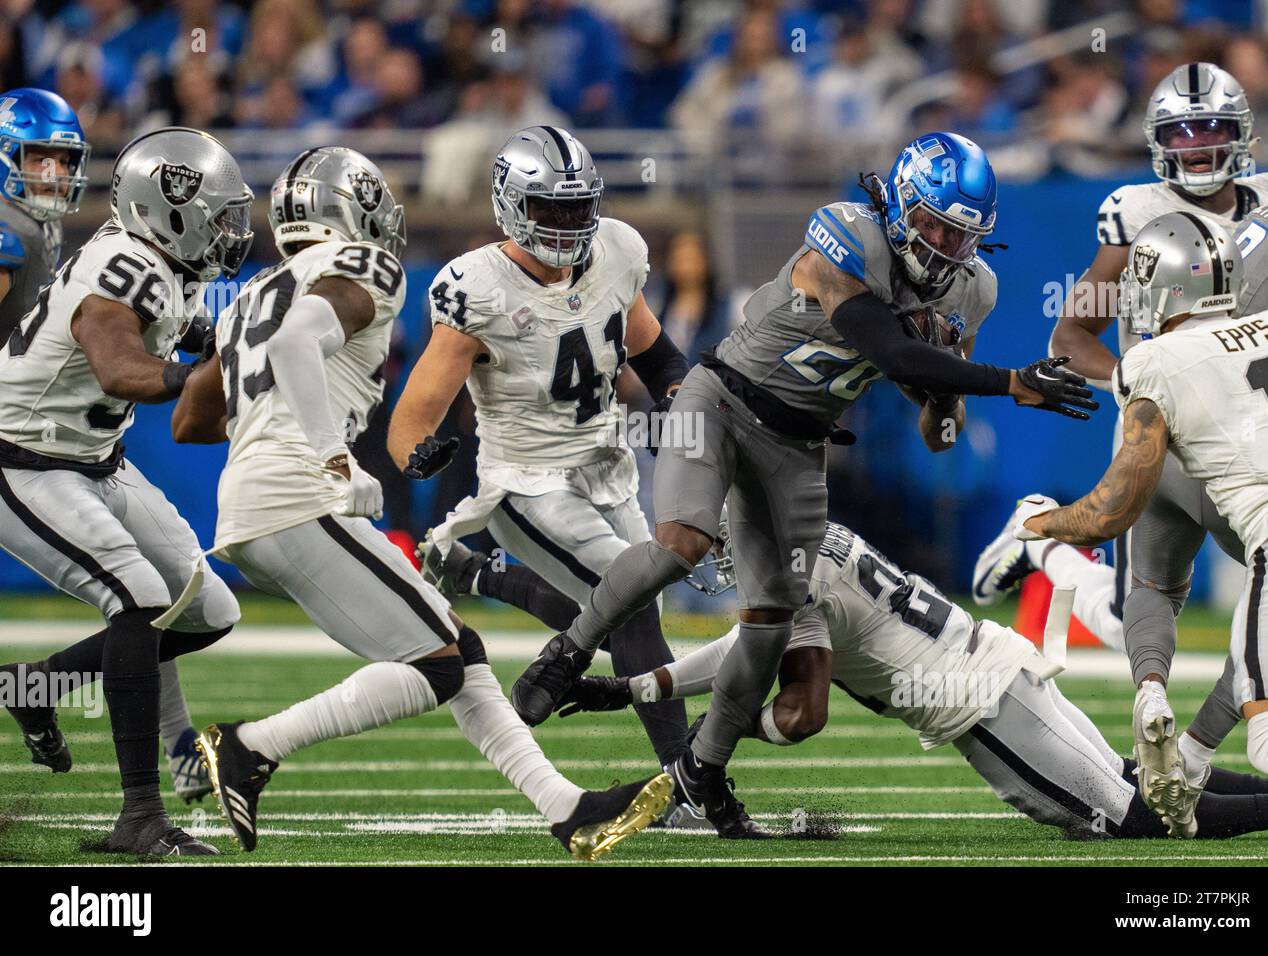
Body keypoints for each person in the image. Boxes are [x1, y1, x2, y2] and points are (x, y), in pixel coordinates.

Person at [510, 131, 1097, 838]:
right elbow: (881, 342)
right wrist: (1010, 381)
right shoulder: (847, 233)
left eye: (962, 234)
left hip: (797, 445)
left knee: (769, 624)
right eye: (935, 224)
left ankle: (704, 779)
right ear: (902, 206)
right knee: (681, 543)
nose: (945, 245)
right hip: (722, 401)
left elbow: (936, 422)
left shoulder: (975, 290)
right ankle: (567, 650)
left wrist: (945, 398)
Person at [171, 146, 673, 860]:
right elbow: (292, 346)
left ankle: (567, 810)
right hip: (298, 497)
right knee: (436, 662)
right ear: (350, 212)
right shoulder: (362, 266)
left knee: (458, 651)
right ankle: (249, 747)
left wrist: (269, 417)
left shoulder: (256, 290)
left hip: (253, 508)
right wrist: (331, 452)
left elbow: (190, 419)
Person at [560, 521, 1268, 841]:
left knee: (1142, 818)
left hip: (979, 704)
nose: (720, 555)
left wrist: (727, 728)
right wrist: (635, 690)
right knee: (1147, 783)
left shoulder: (793, 577)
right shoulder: (814, 533)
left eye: (723, 540)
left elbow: (802, 713)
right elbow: (738, 646)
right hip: (998, 664)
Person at [993, 63, 1268, 823]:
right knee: (1262, 593)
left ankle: (1187, 751)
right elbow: (1072, 331)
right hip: (1173, 423)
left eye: (1213, 130)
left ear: (1243, 135)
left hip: (1247, 424)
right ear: (1158, 142)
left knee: (1257, 597)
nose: (1198, 148)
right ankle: (1192, 746)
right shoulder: (1133, 213)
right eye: (1182, 133)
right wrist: (1140, 381)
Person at [388, 126, 702, 825]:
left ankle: (481, 576)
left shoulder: (617, 250)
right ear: (510, 205)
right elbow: (412, 418)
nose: (567, 224)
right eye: (550, 209)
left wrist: (682, 403)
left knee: (607, 612)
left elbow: (656, 356)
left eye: (577, 207)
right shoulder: (478, 288)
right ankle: (689, 785)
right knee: (632, 597)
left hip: (604, 465)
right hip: (526, 480)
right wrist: (422, 452)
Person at [0, 127, 253, 855]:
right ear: (167, 210)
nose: (231, 230)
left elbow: (200, 337)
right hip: (25, 461)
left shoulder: (170, 263)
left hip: (93, 458)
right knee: (140, 601)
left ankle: (35, 686)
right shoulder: (123, 263)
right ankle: (141, 813)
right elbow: (121, 369)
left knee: (209, 610)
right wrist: (202, 378)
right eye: (217, 214)